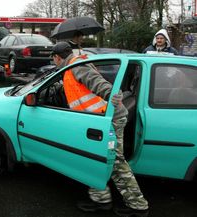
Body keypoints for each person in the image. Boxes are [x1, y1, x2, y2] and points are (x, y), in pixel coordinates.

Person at [51, 41, 149, 217]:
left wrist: (113, 96)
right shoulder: (72, 67)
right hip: (95, 120)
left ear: (57, 57)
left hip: (109, 118)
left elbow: (100, 85)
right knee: (94, 158)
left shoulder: (77, 66)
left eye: (54, 60)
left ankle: (137, 205)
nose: (54, 64)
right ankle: (100, 199)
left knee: (116, 162)